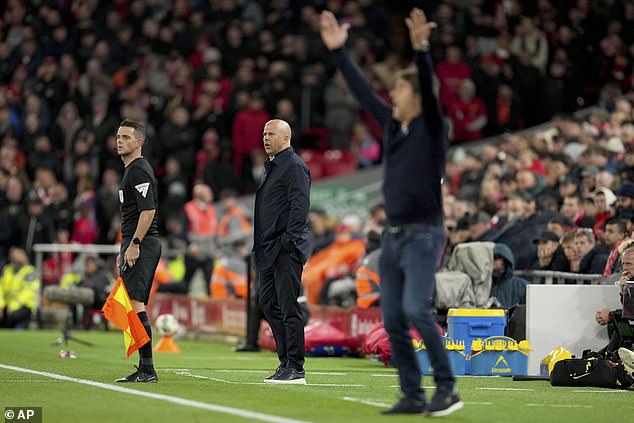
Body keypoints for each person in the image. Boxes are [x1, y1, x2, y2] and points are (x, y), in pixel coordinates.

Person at [320, 8, 462, 416]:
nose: (391, 96)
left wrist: (421, 50)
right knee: (393, 317)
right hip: (394, 235)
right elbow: (364, 94)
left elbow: (431, 98)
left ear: (415, 98)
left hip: (424, 233)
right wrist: (339, 54)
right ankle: (413, 394)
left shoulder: (432, 128)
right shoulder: (391, 126)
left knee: (417, 309)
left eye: (398, 91)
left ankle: (447, 387)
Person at [253, 119, 311, 384]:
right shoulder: (274, 165)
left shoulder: (294, 166)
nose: (265, 138)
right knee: (268, 303)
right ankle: (285, 361)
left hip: (285, 249)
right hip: (267, 249)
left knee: (288, 307)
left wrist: (288, 241)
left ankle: (295, 366)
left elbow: (300, 207)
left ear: (285, 137)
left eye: (271, 134)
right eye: (264, 133)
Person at [114, 119, 162, 383]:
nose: (119, 141)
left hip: (144, 242)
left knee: (135, 303)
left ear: (139, 142)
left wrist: (135, 244)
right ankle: (144, 368)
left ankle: (148, 369)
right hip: (134, 242)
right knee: (132, 304)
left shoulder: (139, 170)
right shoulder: (130, 170)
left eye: (125, 137)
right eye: (118, 137)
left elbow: (148, 210)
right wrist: (125, 247)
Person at [0, 246, 40, 328]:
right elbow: (1, 289)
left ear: (24, 256)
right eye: (13, 254)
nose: (14, 256)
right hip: (7, 307)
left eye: (17, 253)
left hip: (23, 307)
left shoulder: (30, 271)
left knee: (15, 316)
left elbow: (29, 292)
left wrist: (12, 307)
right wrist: (1, 305)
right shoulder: (7, 269)